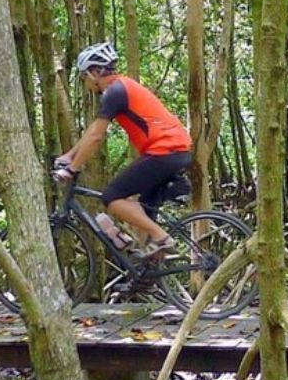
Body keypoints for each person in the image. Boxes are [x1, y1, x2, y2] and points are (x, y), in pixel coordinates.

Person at [55, 43, 192, 257]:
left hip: (164, 151)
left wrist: (72, 168)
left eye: (84, 77)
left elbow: (96, 137)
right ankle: (150, 271)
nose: (85, 82)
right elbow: (93, 130)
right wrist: (70, 155)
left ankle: (163, 238)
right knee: (144, 211)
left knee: (113, 197)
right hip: (175, 151)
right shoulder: (122, 87)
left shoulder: (115, 92)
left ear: (94, 72)